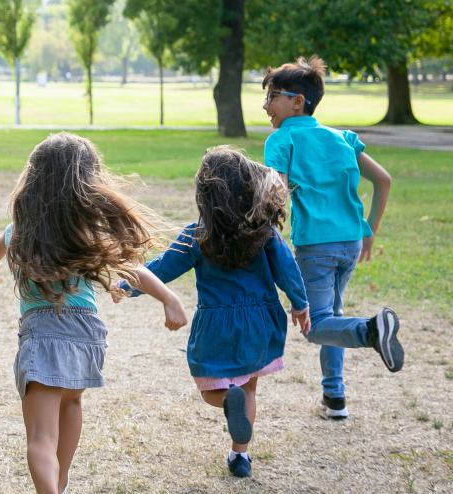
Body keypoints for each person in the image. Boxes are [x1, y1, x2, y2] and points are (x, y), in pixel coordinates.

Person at [0, 132, 187, 494]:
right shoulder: (88, 230)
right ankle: (60, 482)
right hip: (87, 333)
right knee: (72, 401)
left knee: (40, 438)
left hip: (43, 334)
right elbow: (133, 268)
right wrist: (168, 297)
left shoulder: (19, 231)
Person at [115, 146, 311, 478]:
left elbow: (162, 268)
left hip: (217, 324)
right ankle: (240, 455)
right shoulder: (264, 229)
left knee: (211, 388)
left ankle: (226, 401)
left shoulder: (197, 233)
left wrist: (127, 285)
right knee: (248, 387)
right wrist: (300, 304)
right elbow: (287, 269)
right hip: (260, 321)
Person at [262, 56, 403, 420]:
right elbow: (383, 180)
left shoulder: (281, 139)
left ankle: (371, 331)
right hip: (351, 242)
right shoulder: (343, 137)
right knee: (331, 317)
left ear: (298, 101)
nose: (265, 105)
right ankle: (334, 398)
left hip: (315, 246)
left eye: (272, 96)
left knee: (316, 326)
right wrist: (370, 229)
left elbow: (276, 196)